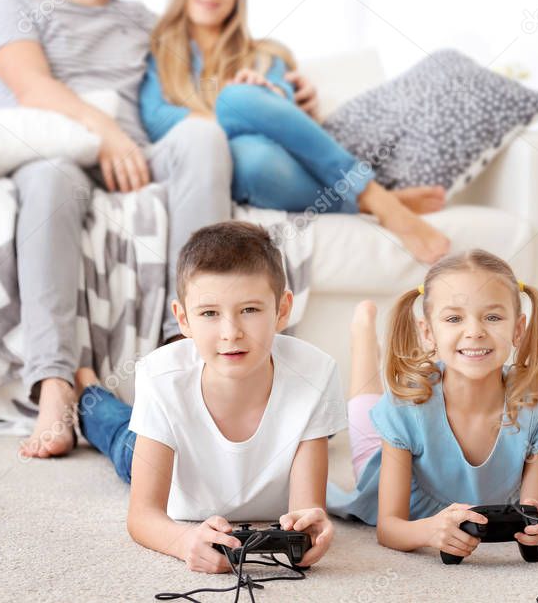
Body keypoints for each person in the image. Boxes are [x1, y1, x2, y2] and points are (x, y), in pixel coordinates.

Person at [0, 0, 320, 458]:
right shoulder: (17, 1)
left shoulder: (144, 23)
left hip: (140, 160)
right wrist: (105, 133)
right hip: (58, 154)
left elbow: (217, 62)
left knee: (201, 135)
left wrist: (283, 85)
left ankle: (188, 348)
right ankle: (56, 385)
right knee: (46, 179)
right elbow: (30, 86)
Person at [140, 0, 451, 265]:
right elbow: (157, 120)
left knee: (248, 130)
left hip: (266, 156)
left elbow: (285, 115)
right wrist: (232, 112)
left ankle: (372, 195)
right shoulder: (157, 52)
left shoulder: (267, 55)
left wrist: (262, 95)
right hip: (222, 165)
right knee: (243, 131)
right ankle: (372, 199)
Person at [74, 221, 345, 571]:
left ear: (281, 310)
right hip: (176, 470)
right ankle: (86, 388)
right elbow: (142, 516)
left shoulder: (316, 374)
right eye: (210, 314)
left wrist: (311, 530)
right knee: (117, 434)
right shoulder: (160, 377)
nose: (230, 333)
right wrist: (184, 541)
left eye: (250, 310)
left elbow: (307, 510)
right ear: (183, 320)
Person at [328, 249, 538, 561]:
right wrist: (428, 531)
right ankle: (363, 338)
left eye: (493, 317)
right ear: (428, 332)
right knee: (364, 418)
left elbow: (537, 519)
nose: (474, 331)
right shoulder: (405, 407)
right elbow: (389, 528)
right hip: (396, 450)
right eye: (454, 318)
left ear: (518, 329)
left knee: (374, 408)